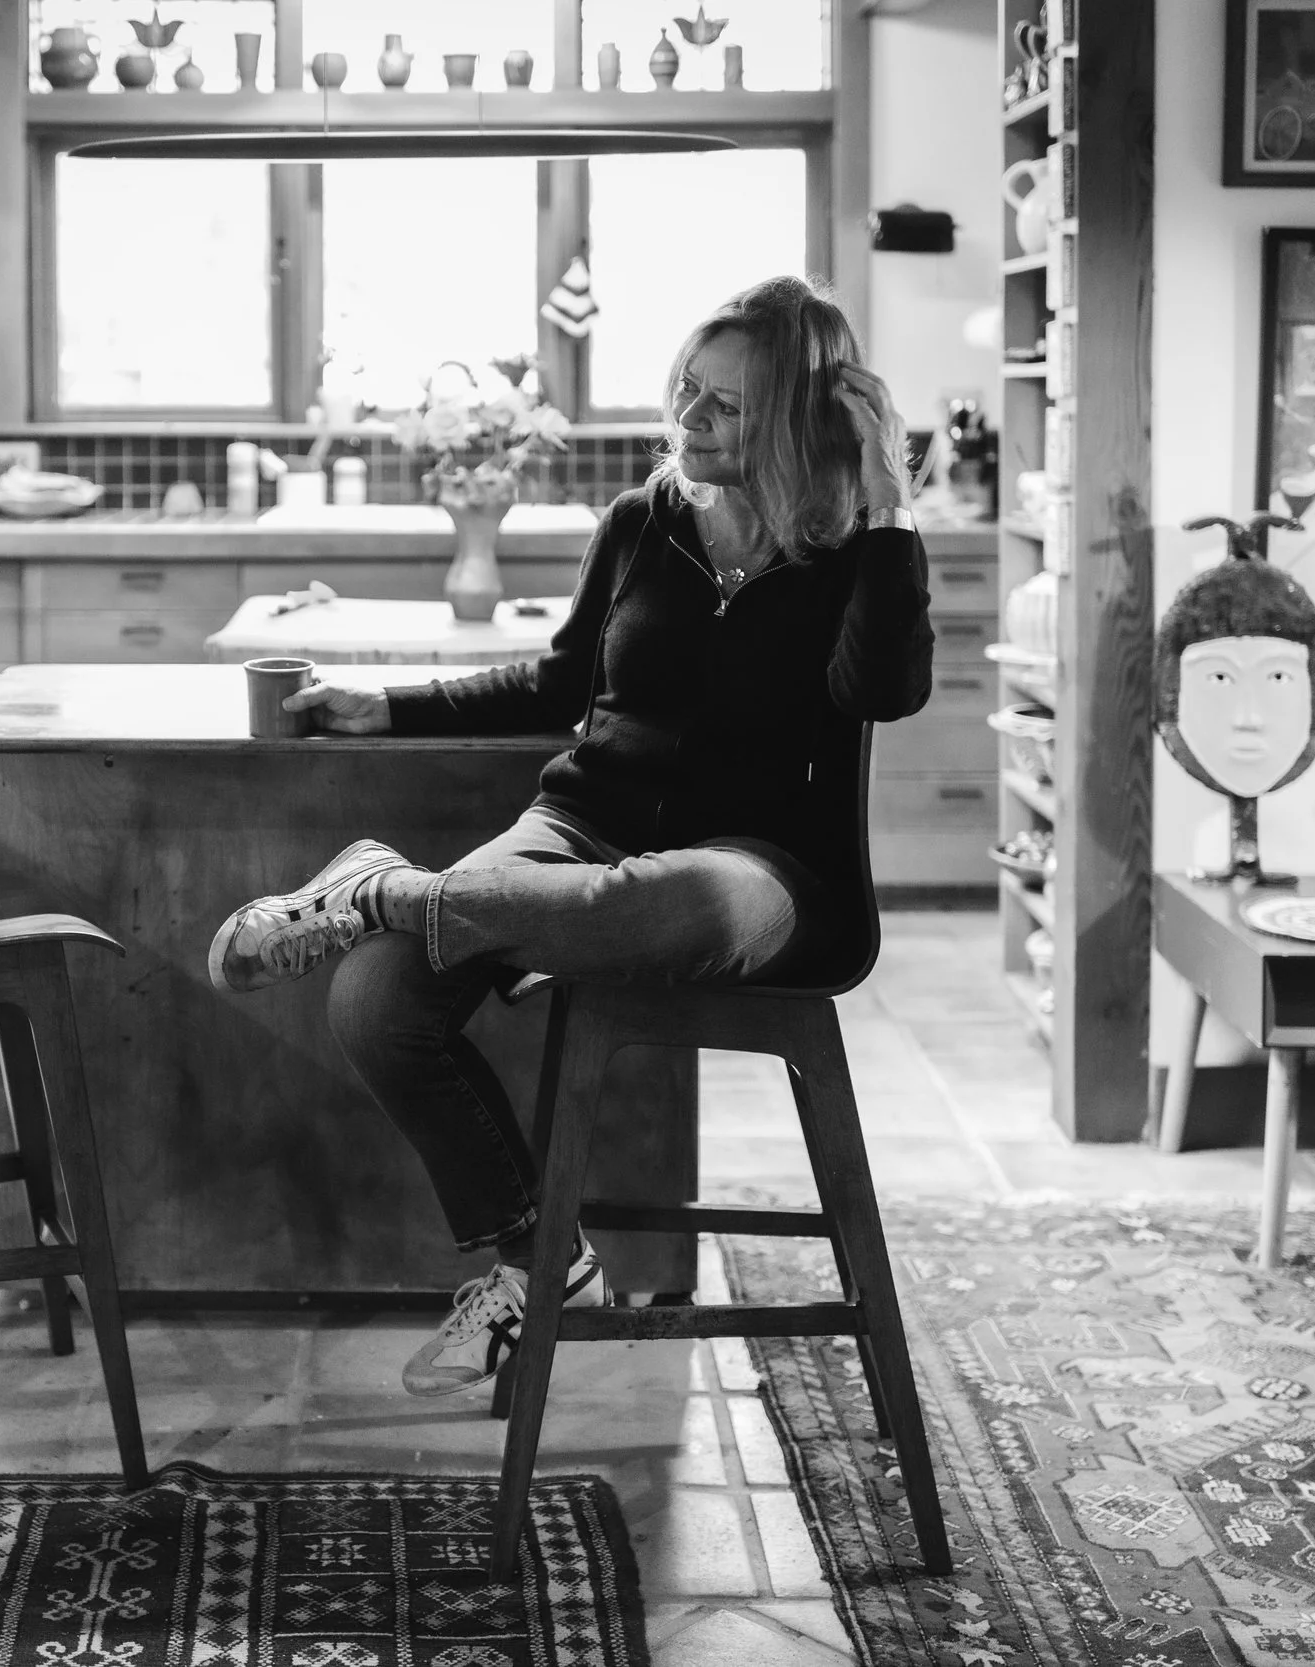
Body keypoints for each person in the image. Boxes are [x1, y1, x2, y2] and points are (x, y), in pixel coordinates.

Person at [205, 276, 934, 1398]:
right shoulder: (643, 523)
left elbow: (881, 689)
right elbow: (557, 682)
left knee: (675, 900)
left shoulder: (850, 553)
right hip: (579, 824)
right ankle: (538, 1255)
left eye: (725, 408)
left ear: (796, 418)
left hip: (759, 868)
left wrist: (889, 505)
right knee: (378, 1000)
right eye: (686, 390)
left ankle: (381, 888)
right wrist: (387, 705)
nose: (688, 420)